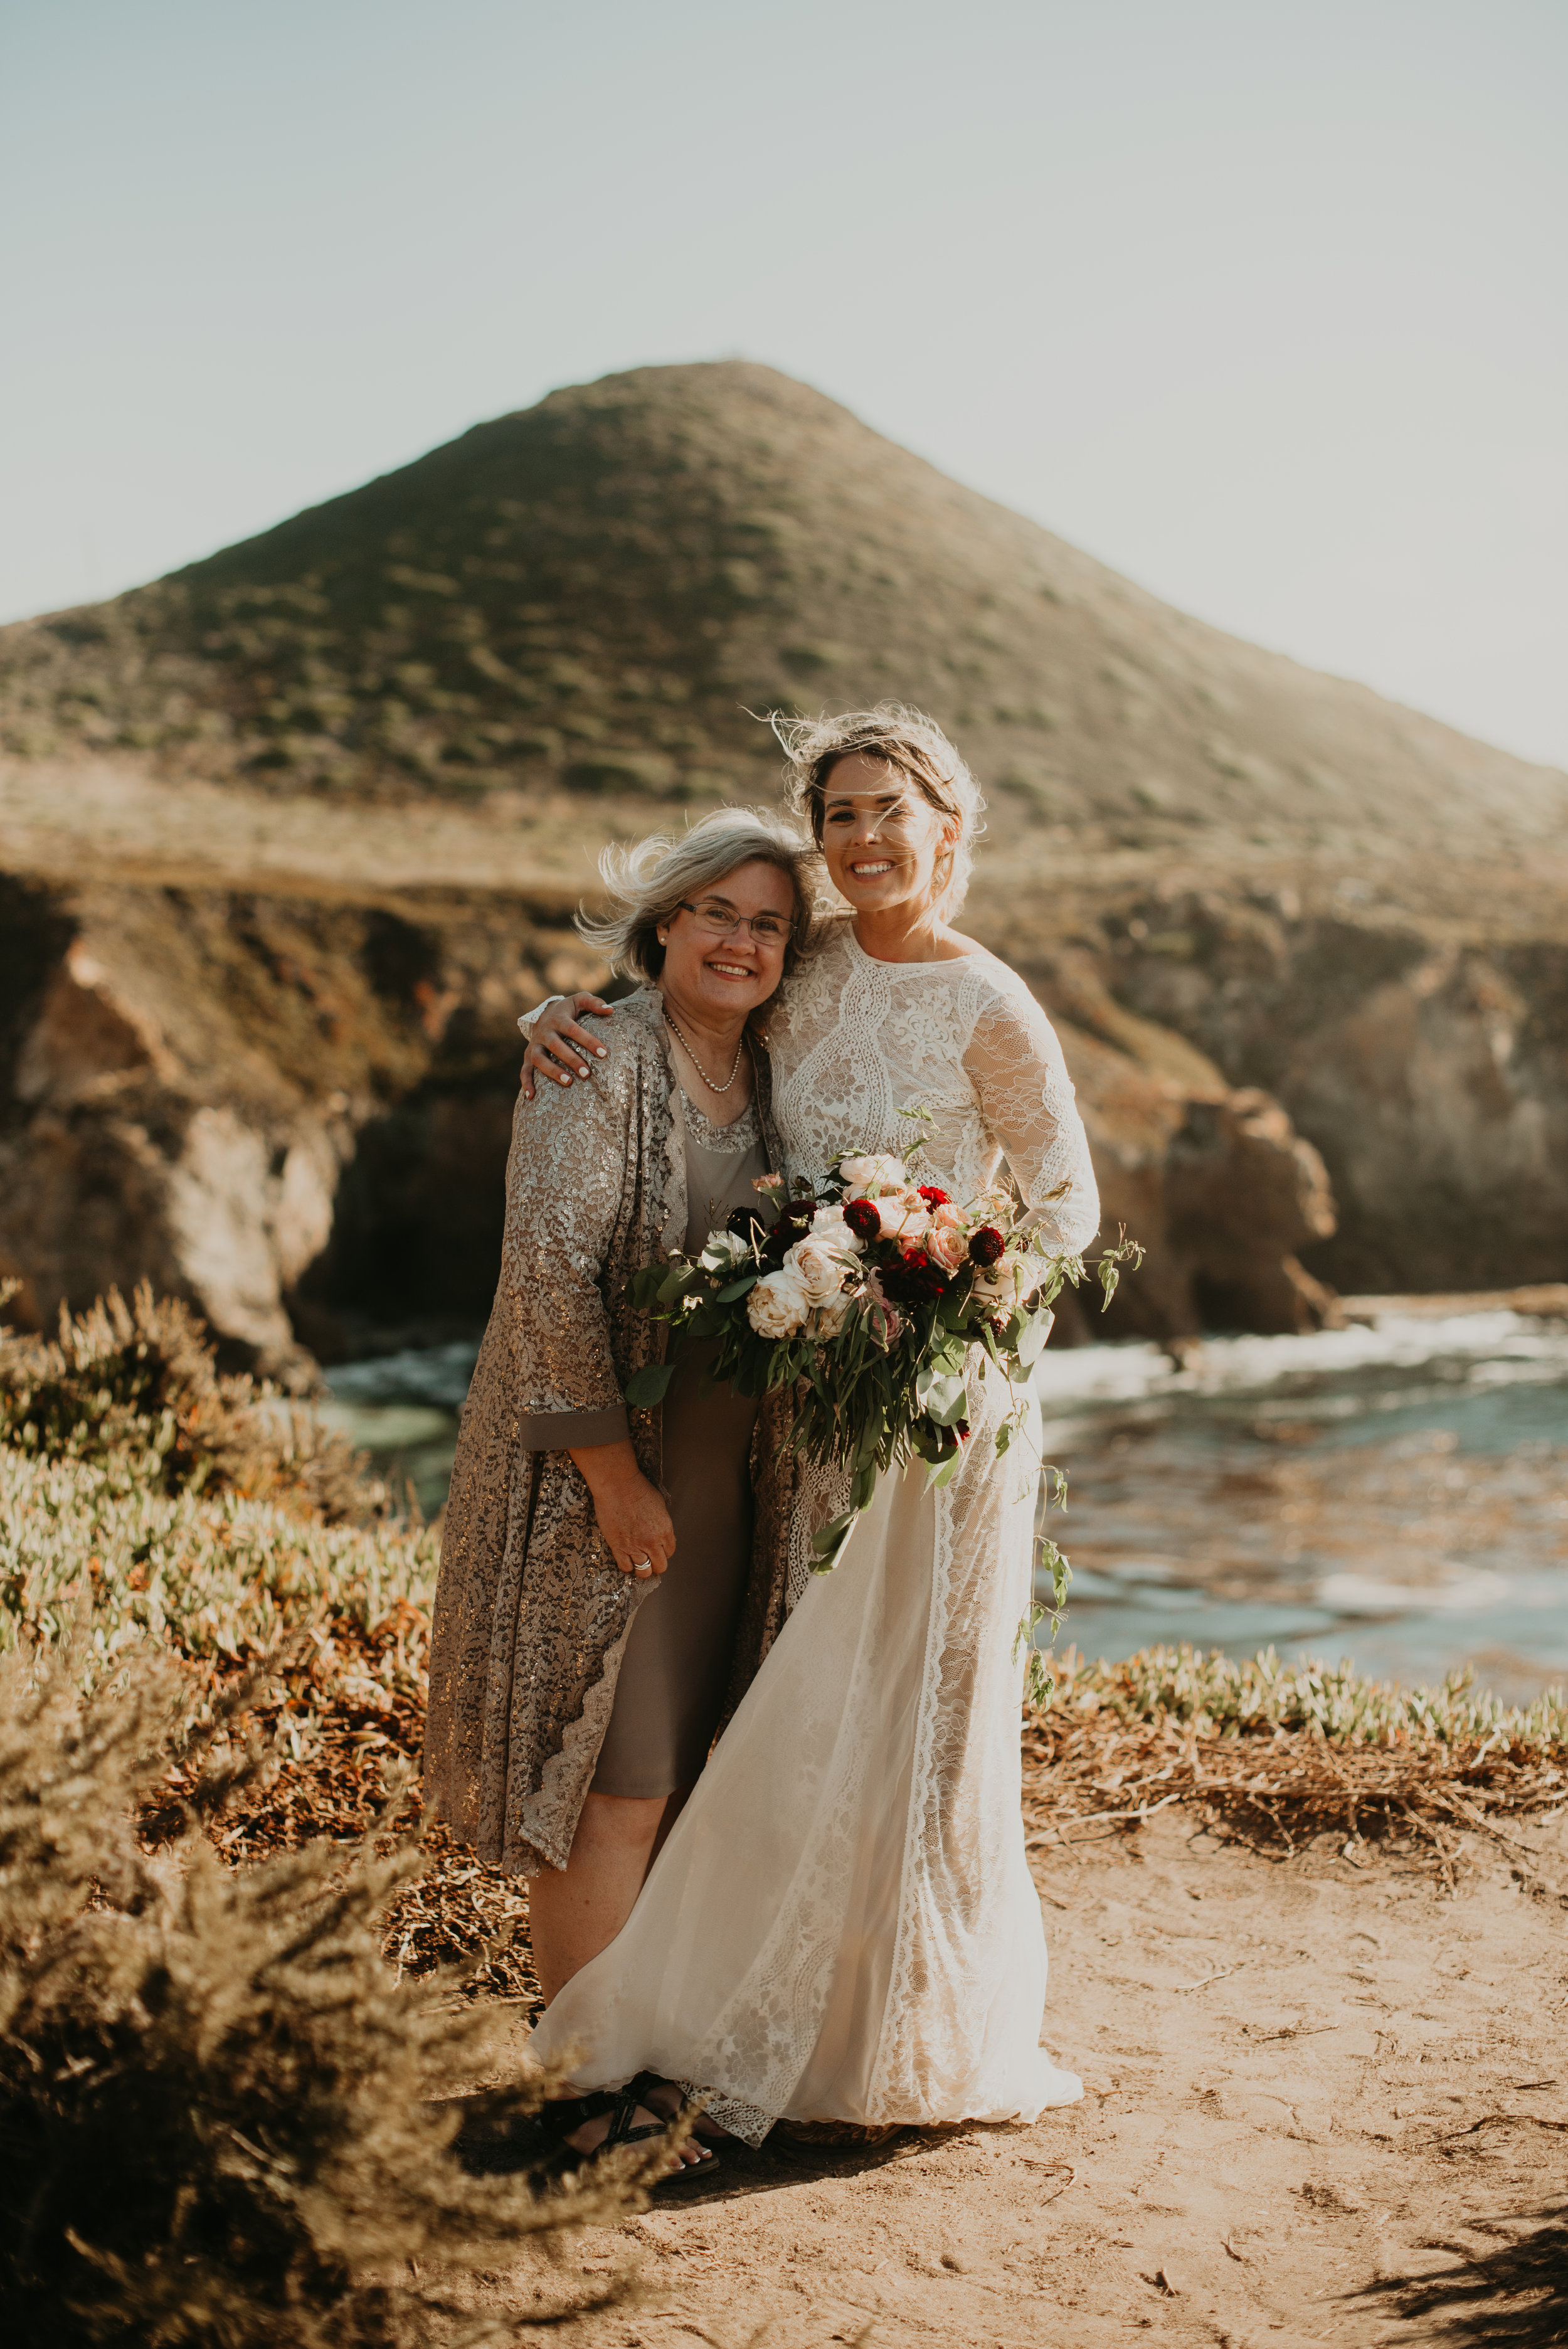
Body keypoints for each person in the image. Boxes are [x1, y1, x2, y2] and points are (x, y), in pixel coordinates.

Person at [517, 705, 1102, 2149]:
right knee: (794, 1715)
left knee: (911, 1716)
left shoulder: (988, 1002)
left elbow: (1068, 1209)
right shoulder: (807, 964)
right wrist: (560, 1016)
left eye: (883, 812)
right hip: (796, 1408)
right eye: (835, 814)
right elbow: (679, 994)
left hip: (930, 1421)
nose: (857, 840)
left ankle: (892, 2033)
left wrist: (946, 1294)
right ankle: (761, 2016)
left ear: (944, 830)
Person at [424, 805, 819, 2167]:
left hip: (728, 1485)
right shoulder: (597, 1059)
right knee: (609, 1782)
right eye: (717, 911)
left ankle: (638, 2066)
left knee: (676, 1779)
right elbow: (541, 1278)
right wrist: (611, 1482)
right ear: (663, 923)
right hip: (607, 1486)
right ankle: (582, 2093)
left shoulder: (770, 1081)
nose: (741, 940)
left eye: (767, 923)